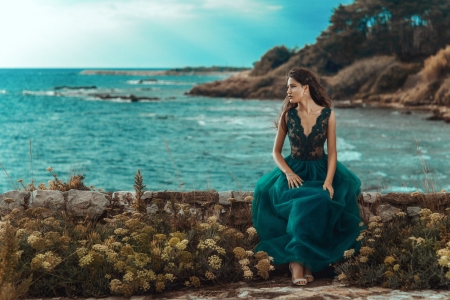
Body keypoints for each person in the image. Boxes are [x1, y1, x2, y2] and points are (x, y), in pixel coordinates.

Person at [252, 67, 364, 286]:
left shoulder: (328, 114)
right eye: (287, 87)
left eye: (292, 86)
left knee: (321, 198)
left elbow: (332, 153)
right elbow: (275, 152)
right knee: (300, 203)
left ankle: (307, 259)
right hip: (293, 173)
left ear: (305, 88)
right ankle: (296, 261)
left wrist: (329, 181)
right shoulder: (288, 116)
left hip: (321, 171)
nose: (288, 92)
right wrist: (288, 172)